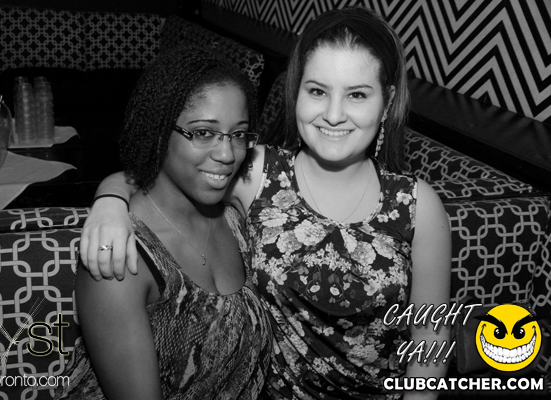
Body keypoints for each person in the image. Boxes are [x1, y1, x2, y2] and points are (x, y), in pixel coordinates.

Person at [78, 6, 452, 399]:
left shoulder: (418, 204)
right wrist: (109, 203)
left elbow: (431, 334)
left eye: (357, 94)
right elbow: (158, 175)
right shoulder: (258, 172)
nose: (333, 114)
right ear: (296, 92)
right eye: (318, 91)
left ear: (387, 102)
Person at [54, 46, 271, 400]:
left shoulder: (236, 216)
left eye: (238, 134)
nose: (227, 154)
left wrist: (110, 192)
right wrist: (110, 200)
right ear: (158, 132)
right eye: (203, 132)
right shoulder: (119, 254)